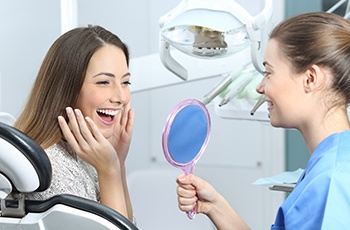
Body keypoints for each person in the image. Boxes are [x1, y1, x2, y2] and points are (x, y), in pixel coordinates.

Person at [176, 11, 350, 229]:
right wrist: (215, 207)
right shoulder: (333, 162)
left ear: (310, 79)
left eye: (268, 73)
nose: (260, 87)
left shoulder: (331, 181)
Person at [14, 25, 135, 222]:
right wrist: (110, 171)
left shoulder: (88, 155)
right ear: (66, 89)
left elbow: (130, 225)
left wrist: (118, 163)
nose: (121, 97)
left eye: (125, 82)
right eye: (104, 82)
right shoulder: (53, 171)